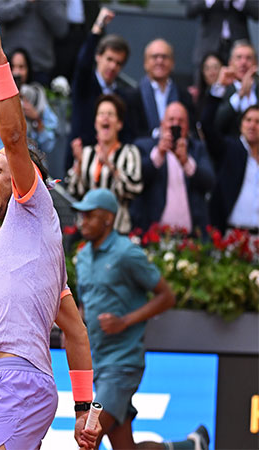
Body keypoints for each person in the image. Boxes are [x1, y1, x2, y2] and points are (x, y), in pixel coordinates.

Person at [0, 22, 100, 449]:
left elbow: (12, 135)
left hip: (17, 383)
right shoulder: (37, 245)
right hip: (9, 384)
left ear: (27, 177)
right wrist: (84, 410)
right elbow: (76, 333)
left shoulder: (32, 202)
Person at [72, 188, 210, 450]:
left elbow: (166, 297)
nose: (83, 222)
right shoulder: (83, 257)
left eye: (90, 216)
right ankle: (189, 447)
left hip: (123, 365)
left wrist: (124, 321)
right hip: (99, 365)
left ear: (108, 220)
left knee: (89, 435)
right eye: (82, 216)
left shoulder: (127, 253)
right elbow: (84, 307)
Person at [66, 7, 136, 171]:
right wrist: (98, 27)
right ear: (98, 57)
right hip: (80, 163)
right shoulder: (85, 84)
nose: (113, 66)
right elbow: (83, 64)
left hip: (111, 167)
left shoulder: (122, 96)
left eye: (118, 63)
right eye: (109, 59)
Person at [131, 102, 215, 234]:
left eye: (181, 121)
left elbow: (209, 182)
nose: (175, 124)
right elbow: (136, 180)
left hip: (191, 237)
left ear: (187, 126)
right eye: (171, 120)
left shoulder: (197, 148)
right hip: (153, 236)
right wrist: (159, 154)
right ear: (162, 123)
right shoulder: (145, 146)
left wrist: (186, 162)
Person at [66, 94, 143, 234]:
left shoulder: (129, 152)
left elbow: (134, 188)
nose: (105, 117)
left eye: (110, 114)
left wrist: (109, 165)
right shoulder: (86, 153)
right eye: (101, 114)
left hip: (117, 229)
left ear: (119, 124)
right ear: (96, 123)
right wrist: (78, 163)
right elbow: (74, 192)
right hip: (87, 229)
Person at [201, 66, 259, 234]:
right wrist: (219, 87)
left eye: (257, 121)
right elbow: (206, 125)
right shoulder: (229, 149)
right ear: (240, 125)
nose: (252, 125)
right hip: (232, 234)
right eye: (248, 120)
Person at [0, 47, 58, 155]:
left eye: (21, 67)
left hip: (30, 161)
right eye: (13, 67)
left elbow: (49, 144)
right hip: (3, 158)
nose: (17, 73)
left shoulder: (37, 96)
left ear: (28, 69)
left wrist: (36, 119)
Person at [0, 0, 68, 86]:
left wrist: (44, 3)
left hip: (40, 66)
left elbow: (61, 29)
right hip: (9, 64)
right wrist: (26, 2)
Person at [135, 38, 194, 139]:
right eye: (154, 57)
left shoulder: (184, 96)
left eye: (164, 57)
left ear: (173, 63)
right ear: (145, 63)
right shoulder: (134, 96)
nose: (160, 61)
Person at [186, 0, 258, 80]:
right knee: (208, 80)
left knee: (242, 78)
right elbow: (190, 10)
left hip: (238, 44)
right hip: (209, 45)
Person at [213, 40, 258, 136]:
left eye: (248, 58)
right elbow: (216, 123)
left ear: (256, 64)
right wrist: (240, 94)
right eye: (239, 58)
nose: (243, 62)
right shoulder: (221, 90)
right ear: (230, 63)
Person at [188, 52, 224, 124]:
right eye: (207, 68)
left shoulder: (230, 94)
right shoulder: (197, 97)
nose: (212, 72)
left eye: (215, 67)